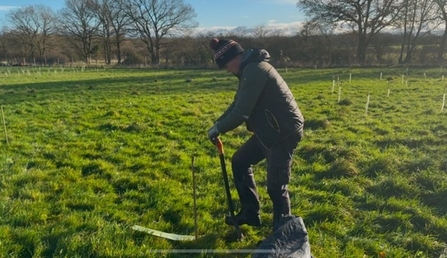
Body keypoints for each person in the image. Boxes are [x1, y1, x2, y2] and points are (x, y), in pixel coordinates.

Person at [207, 38, 304, 230]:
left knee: (277, 187)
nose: (227, 70)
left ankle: (282, 230)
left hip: (282, 132)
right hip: (268, 131)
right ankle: (251, 213)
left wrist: (219, 129)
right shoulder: (248, 70)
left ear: (236, 57)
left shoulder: (255, 69)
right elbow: (237, 103)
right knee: (240, 161)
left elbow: (242, 111)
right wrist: (217, 124)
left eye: (227, 65)